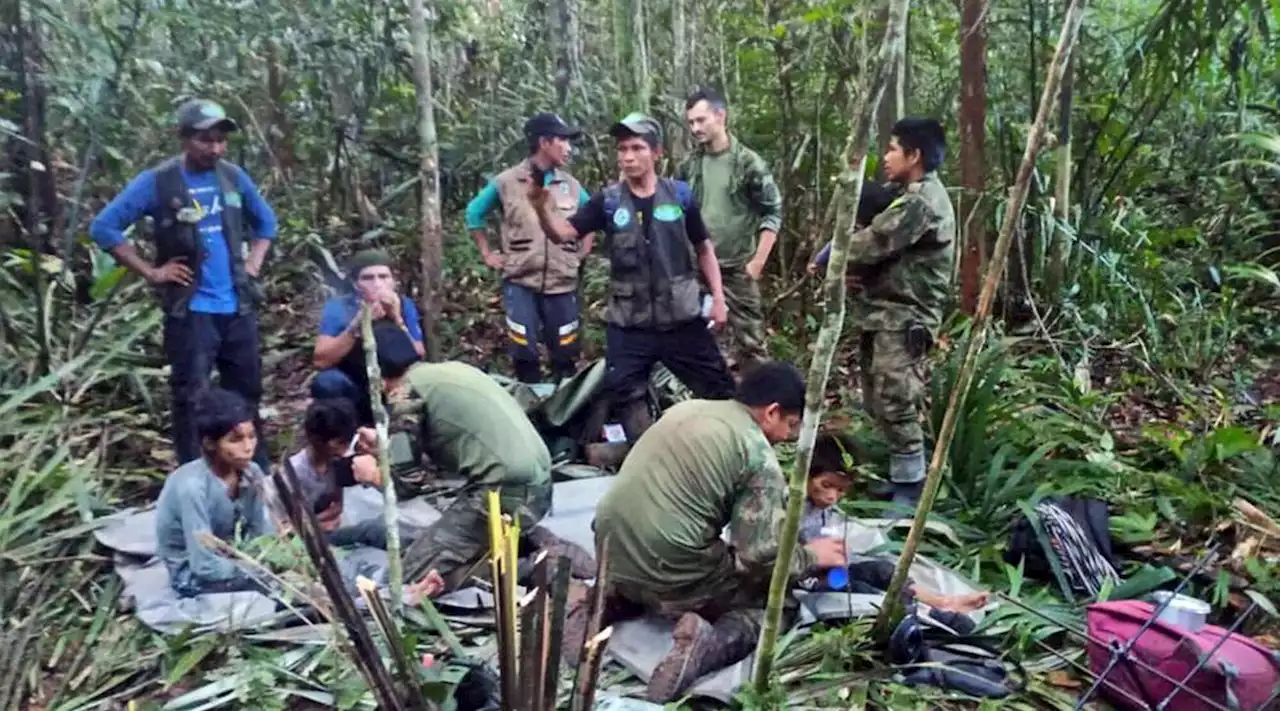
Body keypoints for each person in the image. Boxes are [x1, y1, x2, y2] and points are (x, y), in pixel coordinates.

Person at [579, 363, 849, 703]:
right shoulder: (757, 456)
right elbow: (758, 557)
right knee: (776, 605)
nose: (788, 437)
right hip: (670, 568)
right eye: (791, 425)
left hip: (608, 548)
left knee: (674, 551)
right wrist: (811, 556)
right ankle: (705, 645)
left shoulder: (688, 409)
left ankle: (607, 600)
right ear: (772, 412)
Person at [531, 112, 736, 463]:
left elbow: (703, 248)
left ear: (656, 153)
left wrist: (718, 298)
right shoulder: (608, 201)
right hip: (630, 322)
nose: (627, 156)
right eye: (622, 149)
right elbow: (564, 234)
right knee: (624, 391)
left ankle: (728, 454)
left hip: (682, 317)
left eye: (637, 147)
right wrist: (542, 209)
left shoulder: (680, 196)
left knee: (719, 388)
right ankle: (650, 459)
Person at [90, 98, 278, 471]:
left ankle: (255, 470)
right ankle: (196, 474)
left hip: (237, 306)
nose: (215, 148)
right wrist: (152, 272)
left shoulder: (232, 177)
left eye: (220, 140)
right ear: (183, 137)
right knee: (191, 396)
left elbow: (266, 224)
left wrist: (253, 263)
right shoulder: (159, 182)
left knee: (247, 392)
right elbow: (104, 227)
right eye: (205, 140)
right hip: (191, 311)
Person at [839, 117, 955, 508]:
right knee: (876, 397)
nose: (885, 157)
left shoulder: (921, 203)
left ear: (914, 155)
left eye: (891, 149)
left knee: (897, 398)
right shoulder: (905, 193)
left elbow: (871, 243)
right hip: (884, 312)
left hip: (906, 317)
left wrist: (831, 256)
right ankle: (899, 475)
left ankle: (911, 488)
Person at [365, 361, 556, 592]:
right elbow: (452, 448)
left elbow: (406, 484)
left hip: (505, 494)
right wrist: (388, 447)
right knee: (439, 546)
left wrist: (374, 474)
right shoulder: (449, 371)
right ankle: (522, 551)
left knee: (405, 580)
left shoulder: (405, 392)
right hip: (538, 487)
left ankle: (529, 568)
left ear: (380, 381)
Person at [465, 113, 594, 383]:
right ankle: (528, 404)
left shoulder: (571, 185)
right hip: (521, 280)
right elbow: (474, 213)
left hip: (562, 282)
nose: (569, 148)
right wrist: (488, 254)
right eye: (563, 141)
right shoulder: (506, 182)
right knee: (523, 350)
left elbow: (591, 217)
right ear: (544, 142)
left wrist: (582, 252)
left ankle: (565, 410)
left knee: (566, 350)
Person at [800, 433, 989, 612]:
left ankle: (940, 602)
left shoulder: (823, 510)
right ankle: (924, 614)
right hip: (804, 580)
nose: (832, 496)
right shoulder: (790, 508)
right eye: (826, 485)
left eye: (841, 490)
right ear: (806, 474)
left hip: (830, 573)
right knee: (860, 591)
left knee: (883, 570)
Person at [679, 88, 783, 372]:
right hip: (697, 269)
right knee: (695, 343)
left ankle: (759, 408)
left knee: (751, 345)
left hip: (738, 269)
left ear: (720, 116)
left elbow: (772, 211)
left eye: (701, 121)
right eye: (690, 123)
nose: (695, 128)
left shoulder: (748, 163)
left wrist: (757, 264)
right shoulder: (690, 165)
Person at [154, 388, 272, 597]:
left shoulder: (252, 472)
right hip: (193, 573)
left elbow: (261, 533)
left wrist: (266, 558)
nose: (248, 447)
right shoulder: (193, 488)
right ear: (209, 443)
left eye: (252, 437)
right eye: (235, 440)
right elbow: (203, 564)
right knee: (275, 591)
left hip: (237, 558)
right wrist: (254, 570)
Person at [311, 250, 425, 423]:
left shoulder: (404, 305)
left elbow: (419, 355)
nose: (377, 284)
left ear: (393, 281)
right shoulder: (339, 307)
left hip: (395, 384)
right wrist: (357, 325)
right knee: (327, 382)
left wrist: (397, 319)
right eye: (368, 278)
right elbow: (321, 360)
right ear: (356, 284)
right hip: (355, 383)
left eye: (383, 277)